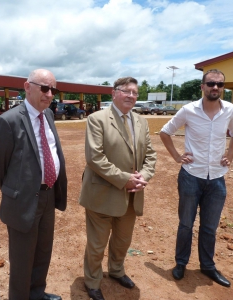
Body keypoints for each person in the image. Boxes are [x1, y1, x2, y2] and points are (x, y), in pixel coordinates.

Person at [0, 69, 67, 300]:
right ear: (27, 87)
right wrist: (16, 190)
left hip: (48, 195)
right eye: (44, 88)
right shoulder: (9, 120)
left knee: (43, 252)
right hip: (22, 200)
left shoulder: (48, 115)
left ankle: (36, 293)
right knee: (22, 259)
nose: (50, 94)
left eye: (53, 89)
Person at [160, 69, 233, 288]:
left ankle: (207, 266)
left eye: (220, 84)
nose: (215, 87)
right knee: (186, 224)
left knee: (209, 227)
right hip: (190, 176)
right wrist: (177, 156)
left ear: (223, 87)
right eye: (211, 83)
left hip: (216, 178)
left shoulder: (230, 111)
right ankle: (180, 264)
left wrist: (230, 155)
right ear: (202, 87)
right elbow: (165, 132)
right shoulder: (188, 111)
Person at [79, 77, 157, 300]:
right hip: (102, 193)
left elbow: (150, 154)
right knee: (97, 244)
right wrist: (125, 179)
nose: (131, 96)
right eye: (126, 91)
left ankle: (116, 270)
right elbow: (95, 158)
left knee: (123, 240)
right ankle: (92, 281)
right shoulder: (97, 119)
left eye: (135, 92)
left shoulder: (141, 121)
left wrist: (145, 175)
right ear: (114, 94)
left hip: (131, 195)